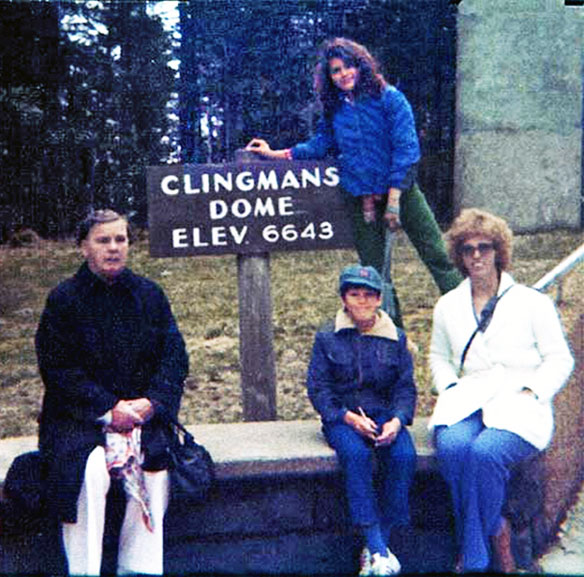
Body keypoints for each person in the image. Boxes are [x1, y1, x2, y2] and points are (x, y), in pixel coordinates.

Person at [246, 37, 462, 326]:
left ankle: (470, 318)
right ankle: (389, 334)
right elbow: (320, 145)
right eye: (336, 70)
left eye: (348, 66)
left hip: (403, 193)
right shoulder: (336, 109)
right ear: (329, 76)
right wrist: (275, 154)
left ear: (361, 66)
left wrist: (395, 199)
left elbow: (407, 149)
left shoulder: (390, 98)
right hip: (363, 200)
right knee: (374, 273)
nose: (344, 74)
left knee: (438, 255)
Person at [36, 209, 188, 576]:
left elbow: (174, 358)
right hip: (80, 421)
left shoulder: (150, 295)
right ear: (83, 247)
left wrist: (153, 403)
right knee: (88, 472)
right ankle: (84, 569)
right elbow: (58, 371)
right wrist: (108, 409)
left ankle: (138, 568)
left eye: (120, 239)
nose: (113, 248)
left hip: (141, 415)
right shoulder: (64, 300)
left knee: (155, 463)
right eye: (103, 240)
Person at [428, 208, 574, 573]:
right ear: (458, 256)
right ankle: (495, 528)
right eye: (467, 249)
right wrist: (447, 386)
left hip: (518, 404)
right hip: (468, 399)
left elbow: (559, 359)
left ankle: (473, 555)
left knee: (485, 453)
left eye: (484, 247)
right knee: (452, 446)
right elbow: (438, 356)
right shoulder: (448, 306)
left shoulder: (532, 303)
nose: (476, 255)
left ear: (499, 252)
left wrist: (532, 391)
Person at [306, 264, 417, 576]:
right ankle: (376, 544)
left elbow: (405, 387)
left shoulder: (395, 337)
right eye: (355, 295)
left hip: (384, 416)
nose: (362, 302)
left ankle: (379, 543)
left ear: (379, 299)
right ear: (344, 298)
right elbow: (318, 388)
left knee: (404, 457)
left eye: (369, 296)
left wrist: (397, 420)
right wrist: (348, 418)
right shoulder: (328, 337)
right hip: (344, 417)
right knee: (355, 457)